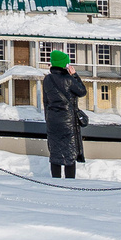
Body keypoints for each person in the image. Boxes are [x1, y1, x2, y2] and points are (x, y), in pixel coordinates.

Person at [41, 50, 88, 179]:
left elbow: (46, 102)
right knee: (69, 154)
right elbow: (82, 91)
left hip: (52, 121)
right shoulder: (69, 79)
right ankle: (69, 183)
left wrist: (48, 119)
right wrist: (74, 75)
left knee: (55, 154)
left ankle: (55, 181)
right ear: (64, 65)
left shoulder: (47, 79)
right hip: (68, 121)